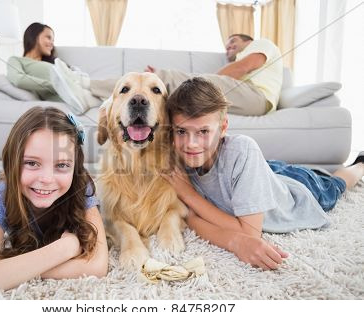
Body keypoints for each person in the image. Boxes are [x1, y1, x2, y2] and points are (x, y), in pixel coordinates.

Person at [162, 77, 364, 271]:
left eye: (203, 132)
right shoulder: (179, 159)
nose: (190, 143)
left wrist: (189, 195)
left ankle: (360, 165)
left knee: (335, 185)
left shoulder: (242, 149)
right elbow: (189, 217)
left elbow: (248, 232)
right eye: (181, 131)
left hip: (297, 187)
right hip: (263, 171)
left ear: (223, 128)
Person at [0, 107, 109, 294]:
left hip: (25, 184)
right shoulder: (0, 194)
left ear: (75, 168)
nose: (47, 179)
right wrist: (65, 248)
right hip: (7, 183)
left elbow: (97, 266)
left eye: (62, 165)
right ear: (12, 162)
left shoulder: (81, 186)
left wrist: (8, 269)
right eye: (32, 163)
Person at [145, 34, 282, 116]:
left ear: (248, 40)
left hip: (257, 96)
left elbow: (243, 67)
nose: (229, 47)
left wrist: (205, 84)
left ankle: (157, 79)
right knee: (186, 102)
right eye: (227, 47)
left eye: (233, 41)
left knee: (198, 87)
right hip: (250, 99)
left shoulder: (261, 43)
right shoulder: (239, 60)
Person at [6, 22, 109, 114]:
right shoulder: (16, 60)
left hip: (78, 83)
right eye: (48, 37)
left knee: (115, 87)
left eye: (53, 40)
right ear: (34, 36)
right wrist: (56, 84)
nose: (52, 43)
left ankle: (96, 98)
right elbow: (19, 79)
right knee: (113, 90)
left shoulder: (53, 62)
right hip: (66, 91)